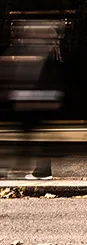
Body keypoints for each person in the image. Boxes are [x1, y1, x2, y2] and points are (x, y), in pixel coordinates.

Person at [0, 19, 64, 180]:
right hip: (41, 99)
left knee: (18, 134)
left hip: (29, 98)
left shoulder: (30, 50)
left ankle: (8, 168)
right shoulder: (54, 53)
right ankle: (41, 170)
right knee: (33, 135)